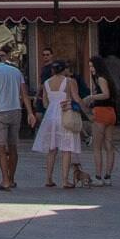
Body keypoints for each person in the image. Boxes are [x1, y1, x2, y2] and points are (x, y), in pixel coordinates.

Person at [0, 49, 34, 191]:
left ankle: (5, 180)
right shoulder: (16, 71)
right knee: (13, 147)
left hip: (0, 111)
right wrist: (30, 113)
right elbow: (24, 93)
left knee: (0, 147)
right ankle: (11, 179)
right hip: (16, 110)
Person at [33, 59, 83, 187]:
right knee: (66, 149)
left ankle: (48, 179)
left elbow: (45, 103)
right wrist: (86, 110)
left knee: (52, 149)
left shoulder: (46, 83)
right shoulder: (69, 81)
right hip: (65, 114)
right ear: (64, 69)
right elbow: (76, 98)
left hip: (50, 116)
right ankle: (65, 180)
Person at [85, 54, 120, 183]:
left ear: (97, 66)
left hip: (101, 112)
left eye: (92, 66)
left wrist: (91, 97)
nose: (91, 69)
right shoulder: (108, 78)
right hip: (111, 112)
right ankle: (108, 176)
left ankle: (98, 177)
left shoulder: (100, 78)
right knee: (109, 145)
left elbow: (106, 94)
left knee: (97, 146)